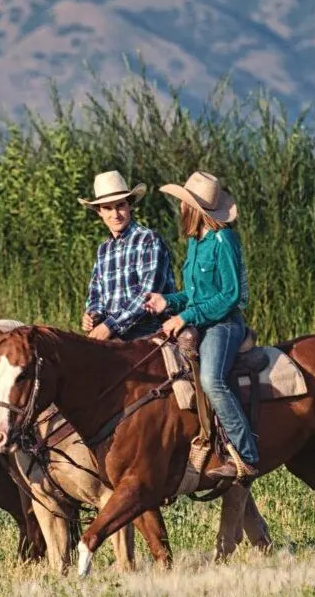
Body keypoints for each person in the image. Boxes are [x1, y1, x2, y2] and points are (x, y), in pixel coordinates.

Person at [144, 171, 258, 482]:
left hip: (224, 324)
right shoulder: (196, 243)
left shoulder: (224, 239)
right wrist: (168, 302)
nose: (179, 208)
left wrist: (186, 317)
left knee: (211, 379)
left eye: (183, 203)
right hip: (201, 320)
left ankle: (245, 455)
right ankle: (204, 441)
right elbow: (195, 295)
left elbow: (230, 295)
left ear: (193, 209)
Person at [78, 170, 177, 341]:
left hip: (149, 328)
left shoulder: (148, 239)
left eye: (120, 206)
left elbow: (147, 294)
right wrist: (92, 314)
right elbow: (96, 293)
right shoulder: (103, 249)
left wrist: (110, 325)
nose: (115, 214)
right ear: (99, 212)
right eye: (107, 208)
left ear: (130, 205)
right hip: (113, 331)